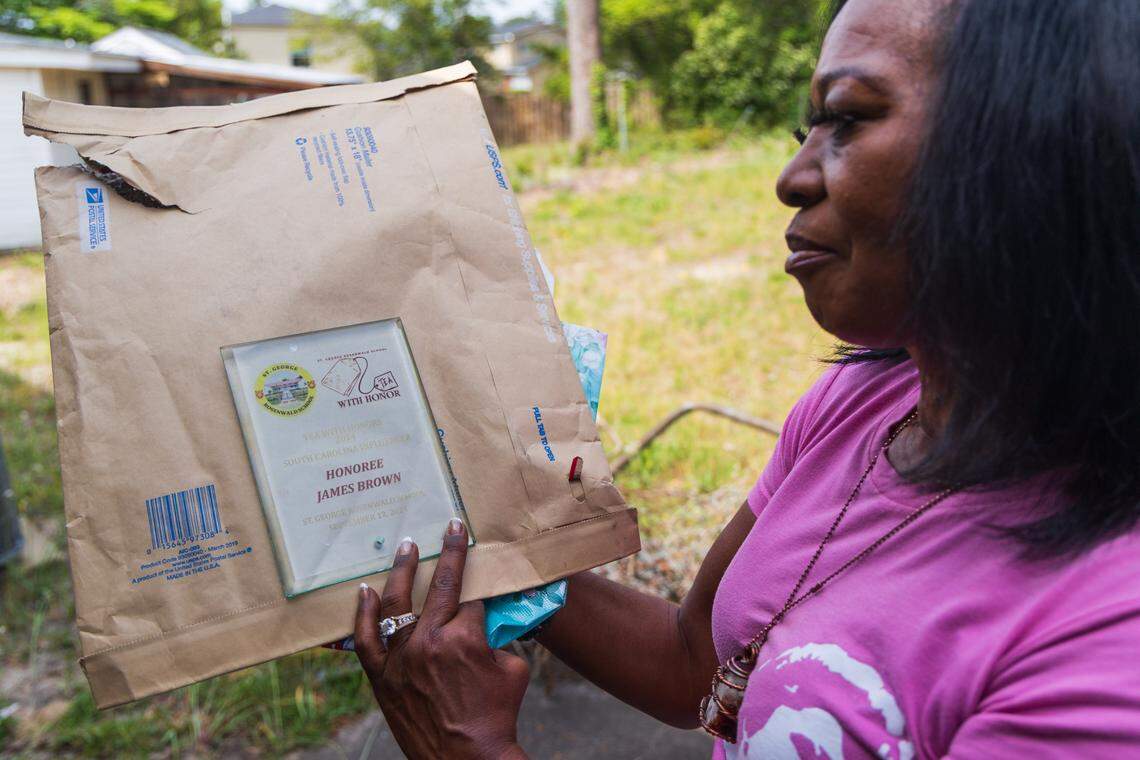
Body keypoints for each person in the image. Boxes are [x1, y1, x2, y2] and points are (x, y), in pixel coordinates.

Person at [349, 0, 1140, 756]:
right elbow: (701, 666)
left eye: (850, 118)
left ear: (1046, 144)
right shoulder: (868, 403)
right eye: (807, 129)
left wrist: (469, 747)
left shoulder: (1109, 649)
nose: (793, 177)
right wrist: (486, 548)